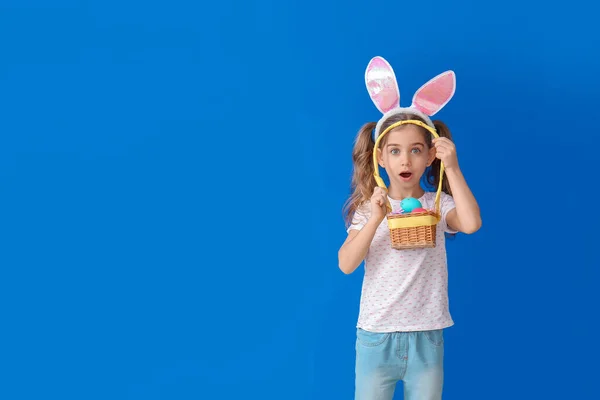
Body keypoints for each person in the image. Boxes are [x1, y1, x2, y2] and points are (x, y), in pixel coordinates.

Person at [338, 56, 482, 400]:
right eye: (396, 151)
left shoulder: (437, 204)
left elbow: (472, 224)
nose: (406, 160)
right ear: (381, 158)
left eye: (416, 151)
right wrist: (375, 217)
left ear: (430, 155)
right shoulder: (368, 207)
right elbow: (346, 264)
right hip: (377, 335)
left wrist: (454, 168)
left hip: (427, 335)